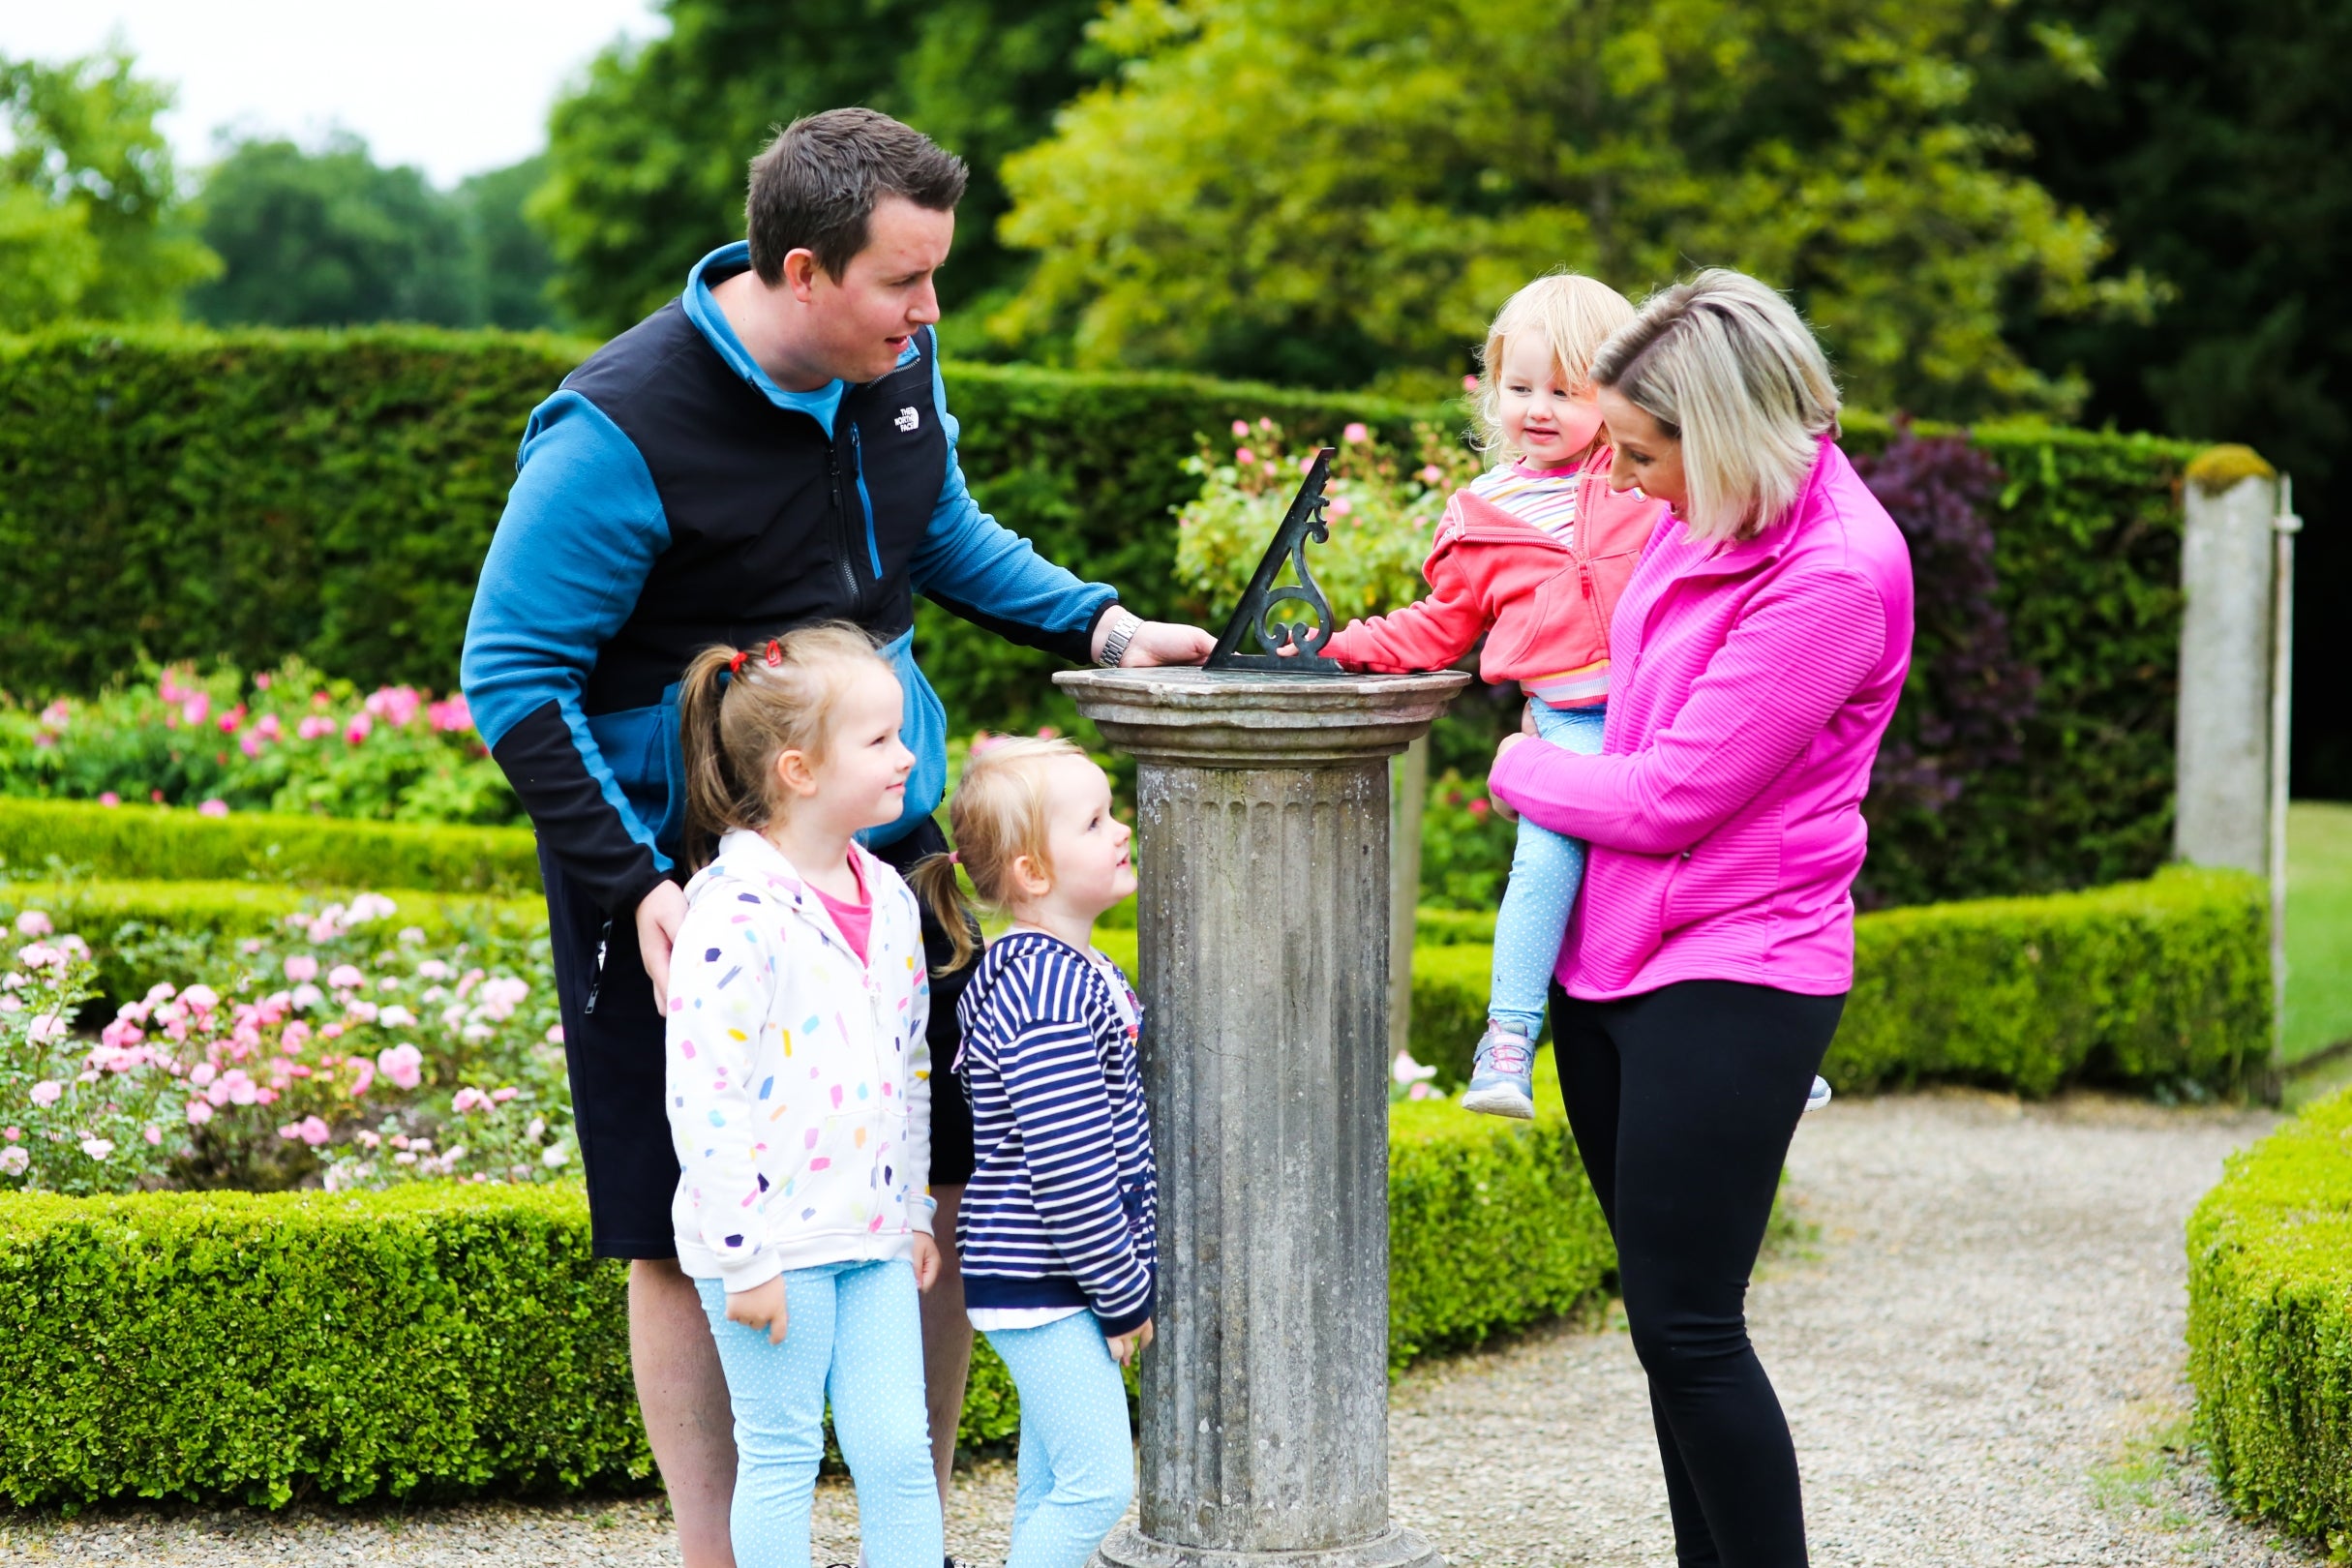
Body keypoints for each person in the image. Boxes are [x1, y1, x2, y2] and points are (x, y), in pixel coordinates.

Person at [459, 107, 1212, 1567]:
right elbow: (511, 674)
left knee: (929, 1166)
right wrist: (632, 889)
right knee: (680, 1220)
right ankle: (718, 1555)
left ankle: (900, 1532)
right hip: (672, 872)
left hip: (883, 836)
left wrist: (1104, 622)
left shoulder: (897, 364)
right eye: (903, 283)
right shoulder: (616, 426)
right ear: (802, 270)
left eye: (935, 280)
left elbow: (940, 536)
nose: (930, 316)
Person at [1484, 269, 1914, 1567]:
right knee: (1660, 1323)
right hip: (1613, 961)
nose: (1625, 479)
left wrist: (1517, 769)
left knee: (1690, 1326)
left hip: (1736, 968)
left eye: (1643, 451)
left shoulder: (1834, 573)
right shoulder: (1705, 509)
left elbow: (1671, 794)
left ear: (1721, 433)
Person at [1319, 273, 1670, 1118]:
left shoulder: (1649, 485)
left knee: (1711, 850)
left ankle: (1751, 1027)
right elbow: (1439, 628)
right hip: (1572, 725)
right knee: (1545, 860)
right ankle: (1507, 1039)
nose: (1538, 408)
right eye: (1520, 387)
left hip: (1664, 712)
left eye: (1567, 390)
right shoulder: (1483, 511)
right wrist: (1332, 646)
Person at [661, 624, 943, 1568]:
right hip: (771, 1244)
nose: (907, 754)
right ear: (798, 770)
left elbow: (907, 1069)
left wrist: (910, 1212)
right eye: (878, 741)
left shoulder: (894, 899)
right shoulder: (732, 913)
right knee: (781, 1452)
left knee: (898, 1451)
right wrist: (743, 1258)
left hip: (867, 1239)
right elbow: (702, 1096)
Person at [907, 738, 1155, 1568]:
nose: (1120, 830)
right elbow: (1069, 1163)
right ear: (1033, 874)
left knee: (1051, 1483)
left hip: (1051, 1274)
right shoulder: (1044, 992)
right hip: (1049, 1277)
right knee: (1097, 1486)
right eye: (1094, 822)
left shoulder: (1061, 968)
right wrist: (1123, 1294)